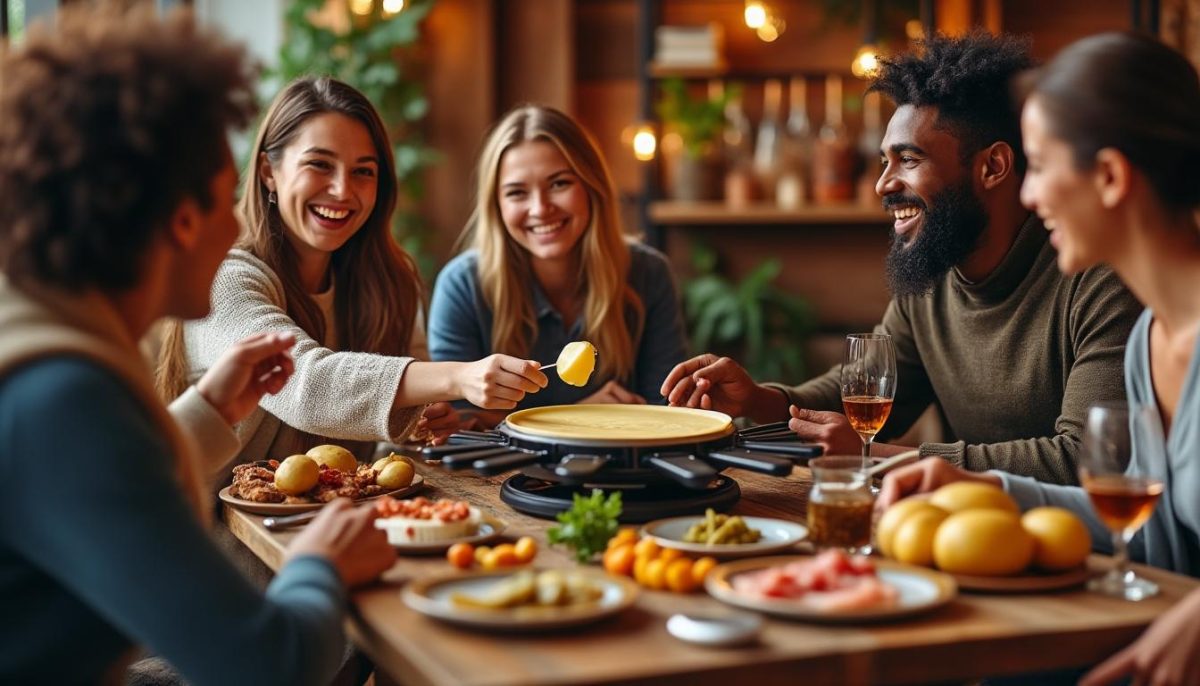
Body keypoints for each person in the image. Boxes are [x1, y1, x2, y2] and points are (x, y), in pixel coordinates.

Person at [0, 5, 396, 684]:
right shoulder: (66, 397)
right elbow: (270, 666)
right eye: (225, 200)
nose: (238, 225)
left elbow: (105, 492)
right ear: (183, 220)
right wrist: (318, 565)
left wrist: (209, 414)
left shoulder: (46, 353)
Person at [661, 32, 1142, 485]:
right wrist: (762, 400)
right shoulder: (934, 276)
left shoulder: (1098, 279)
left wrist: (878, 459)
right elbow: (865, 394)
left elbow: (1085, 456)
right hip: (961, 529)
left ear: (992, 166)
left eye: (908, 160)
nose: (883, 185)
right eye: (884, 161)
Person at [878, 32, 1200, 686]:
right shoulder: (1151, 342)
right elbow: (1152, 536)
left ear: (1109, 177)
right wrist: (988, 488)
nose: (1027, 196)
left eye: (1043, 165)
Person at [157, 77, 550, 484]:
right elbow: (305, 383)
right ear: (268, 171)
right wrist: (456, 377)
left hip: (344, 528)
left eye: (363, 171)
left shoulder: (390, 281)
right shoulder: (224, 277)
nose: (343, 190)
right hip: (223, 540)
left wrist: (421, 423)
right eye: (320, 164)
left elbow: (384, 450)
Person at [428, 105, 687, 427]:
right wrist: (579, 418)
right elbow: (458, 423)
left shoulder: (649, 273)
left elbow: (666, 409)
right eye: (517, 192)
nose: (540, 209)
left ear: (591, 186)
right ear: (497, 206)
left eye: (559, 184)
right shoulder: (462, 285)